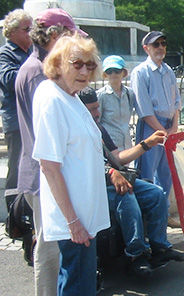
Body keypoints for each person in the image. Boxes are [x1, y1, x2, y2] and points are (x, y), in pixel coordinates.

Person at [78, 87, 184, 277]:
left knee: (156, 194)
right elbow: (83, 168)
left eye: (96, 108)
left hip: (114, 178)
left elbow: (117, 157)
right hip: (93, 187)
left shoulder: (98, 128)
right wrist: (110, 172)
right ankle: (136, 255)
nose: (96, 113)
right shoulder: (76, 133)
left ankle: (160, 247)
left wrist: (146, 144)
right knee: (126, 198)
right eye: (90, 110)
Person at [15, 8, 86, 296]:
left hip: (44, 172)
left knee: (54, 247)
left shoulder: (37, 68)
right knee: (49, 250)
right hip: (43, 175)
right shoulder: (38, 73)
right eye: (69, 36)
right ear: (54, 36)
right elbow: (48, 137)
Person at [32, 34, 109, 296]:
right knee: (77, 286)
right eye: (77, 64)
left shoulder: (71, 96)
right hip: (75, 220)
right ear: (58, 62)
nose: (85, 70)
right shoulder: (51, 98)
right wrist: (73, 221)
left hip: (86, 215)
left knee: (83, 283)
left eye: (90, 65)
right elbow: (49, 165)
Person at [131, 31, 180, 196]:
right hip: (151, 127)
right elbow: (144, 109)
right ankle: (149, 215)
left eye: (163, 44)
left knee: (167, 173)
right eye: (156, 44)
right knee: (147, 174)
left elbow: (176, 101)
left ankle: (164, 211)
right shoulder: (140, 72)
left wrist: (174, 126)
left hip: (169, 124)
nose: (160, 48)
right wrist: (162, 130)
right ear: (146, 48)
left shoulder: (169, 71)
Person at [0, 9, 32, 200]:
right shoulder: (5, 54)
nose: (31, 32)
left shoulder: (32, 53)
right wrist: (34, 68)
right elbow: (9, 79)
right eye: (27, 29)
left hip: (32, 118)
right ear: (12, 32)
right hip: (17, 122)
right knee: (17, 168)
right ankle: (15, 220)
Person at [97, 55, 135, 151]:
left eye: (117, 71)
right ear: (105, 74)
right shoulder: (101, 95)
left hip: (126, 145)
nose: (113, 74)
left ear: (124, 73)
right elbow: (97, 122)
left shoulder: (129, 93)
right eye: (109, 71)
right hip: (109, 147)